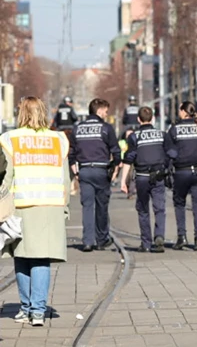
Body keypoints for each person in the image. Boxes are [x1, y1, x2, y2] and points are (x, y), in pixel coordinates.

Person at [0, 96, 72, 331]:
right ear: (44, 112)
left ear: (22, 113)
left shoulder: (10, 140)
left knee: (22, 256)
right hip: (50, 206)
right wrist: (65, 206)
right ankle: (39, 311)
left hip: (21, 206)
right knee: (41, 257)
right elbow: (64, 178)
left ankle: (26, 308)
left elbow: (6, 178)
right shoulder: (58, 140)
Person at [68, 97, 119, 252]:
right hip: (101, 170)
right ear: (98, 110)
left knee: (87, 207)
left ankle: (88, 241)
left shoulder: (77, 128)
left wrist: (75, 171)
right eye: (105, 110)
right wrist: (115, 168)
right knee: (102, 206)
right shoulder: (106, 128)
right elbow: (116, 151)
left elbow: (71, 153)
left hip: (84, 171)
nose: (106, 113)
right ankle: (102, 239)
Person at [167, 101, 197, 251]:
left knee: (179, 203)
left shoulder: (174, 130)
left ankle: (181, 237)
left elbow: (169, 152)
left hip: (181, 172)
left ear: (183, 112)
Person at [118, 106, 168, 253]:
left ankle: (146, 243)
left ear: (138, 119)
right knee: (160, 209)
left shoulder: (134, 137)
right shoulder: (162, 134)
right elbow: (169, 154)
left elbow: (128, 159)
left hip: (142, 178)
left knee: (143, 210)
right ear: (152, 118)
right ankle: (159, 237)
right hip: (158, 176)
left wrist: (123, 182)